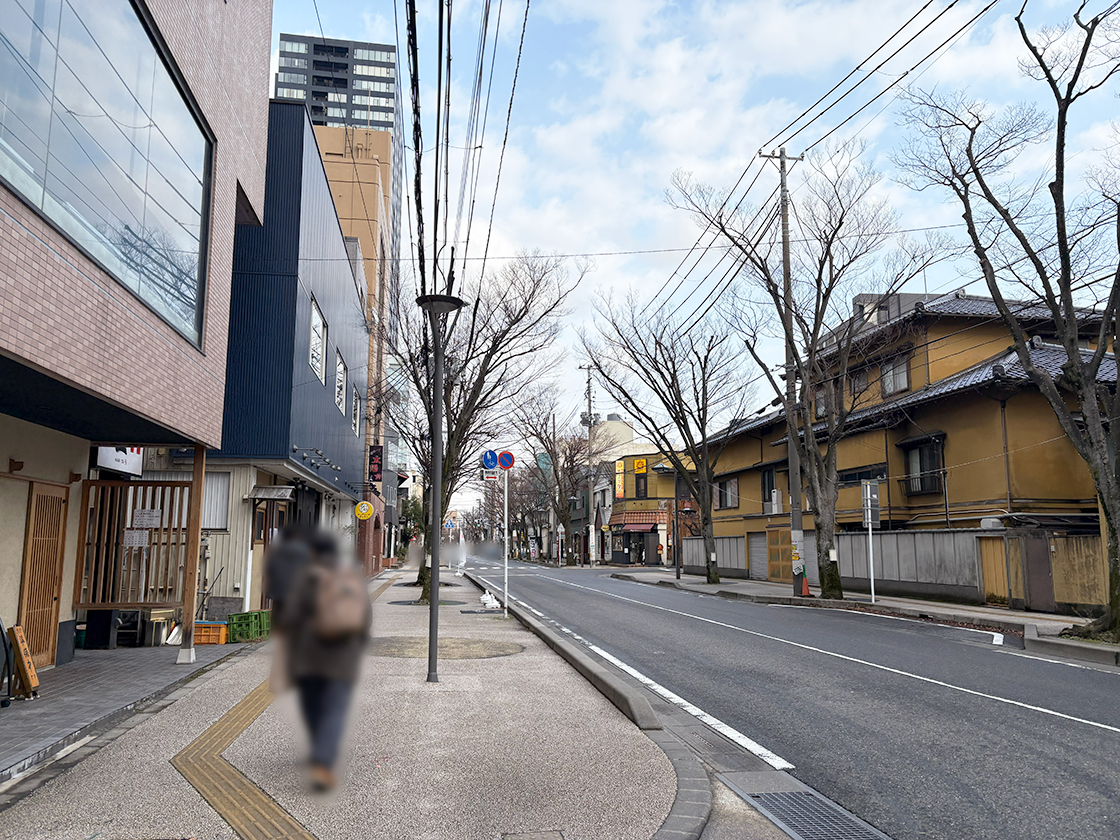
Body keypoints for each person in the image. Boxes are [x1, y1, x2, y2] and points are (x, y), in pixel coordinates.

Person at [282, 531, 372, 791]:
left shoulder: (304, 579)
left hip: (308, 658)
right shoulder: (351, 579)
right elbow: (365, 618)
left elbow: (290, 618)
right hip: (342, 658)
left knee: (312, 706)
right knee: (335, 709)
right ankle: (323, 763)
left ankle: (318, 752)